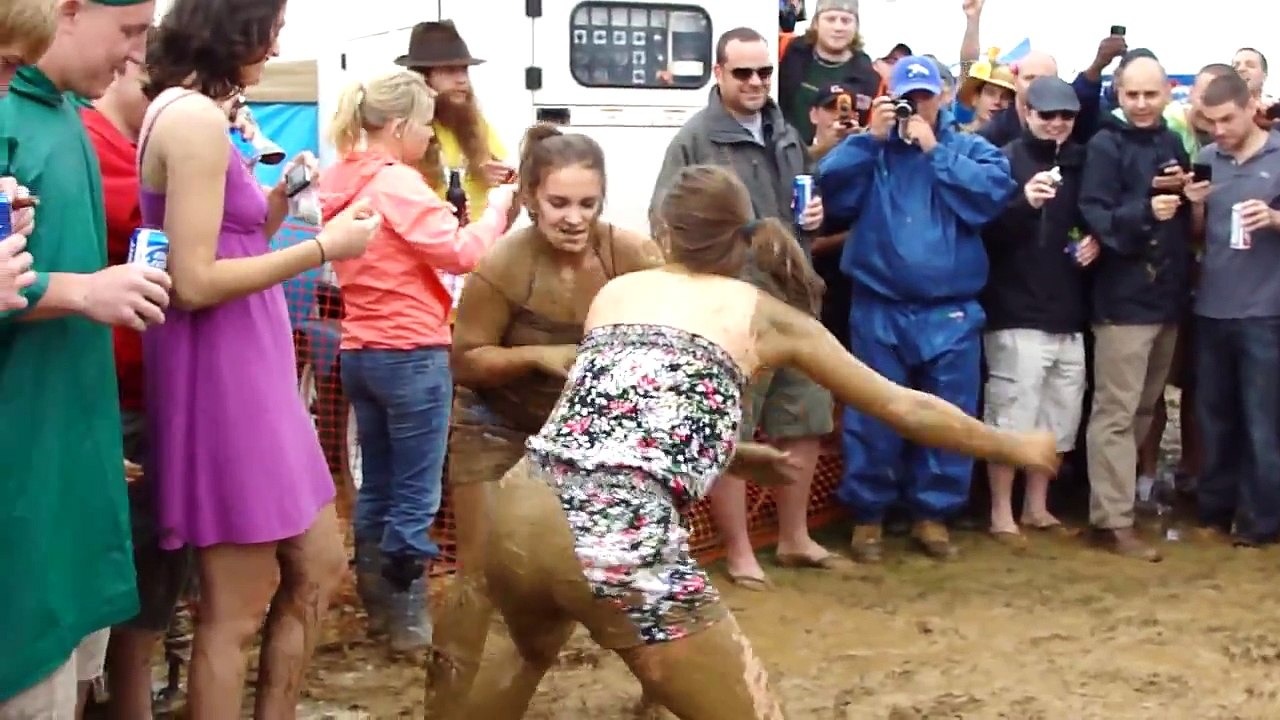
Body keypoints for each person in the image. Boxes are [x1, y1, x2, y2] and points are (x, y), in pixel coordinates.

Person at [441, 163, 1059, 720]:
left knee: (523, 653)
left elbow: (615, 419)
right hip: (616, 534)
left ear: (664, 231)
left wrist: (731, 453)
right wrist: (1012, 447)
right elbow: (905, 406)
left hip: (521, 506)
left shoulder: (618, 293)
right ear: (744, 238)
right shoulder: (766, 316)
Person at [138, 0, 382, 714]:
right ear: (232, 30)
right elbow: (193, 282)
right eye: (270, 32)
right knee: (234, 610)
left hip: (254, 375)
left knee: (320, 566)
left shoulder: (198, 116)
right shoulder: (191, 120)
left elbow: (229, 240)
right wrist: (323, 248)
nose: (275, 49)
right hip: (225, 382)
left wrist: (276, 199)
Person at [425, 123, 664, 717]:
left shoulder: (631, 256)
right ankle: (448, 705)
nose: (574, 218)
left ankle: (663, 691)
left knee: (636, 563)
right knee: (482, 574)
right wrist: (536, 355)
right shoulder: (504, 265)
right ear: (531, 197)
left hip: (589, 432)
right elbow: (464, 360)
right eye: (559, 203)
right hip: (496, 422)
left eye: (587, 203)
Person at [0, 0, 169, 717]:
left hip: (70, 463)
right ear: (67, 12)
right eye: (128, 31)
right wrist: (79, 290)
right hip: (24, 479)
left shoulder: (69, 115)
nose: (135, 55)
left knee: (70, 677)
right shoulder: (14, 115)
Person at [319, 69, 515, 651]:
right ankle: (407, 620)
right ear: (400, 125)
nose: (432, 137)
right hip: (412, 353)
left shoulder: (341, 176)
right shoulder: (397, 184)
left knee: (376, 483)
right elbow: (460, 253)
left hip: (360, 350)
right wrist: (499, 208)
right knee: (416, 491)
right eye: (427, 125)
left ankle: (379, 606)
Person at [652, 26, 837, 591]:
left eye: (764, 72)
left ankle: (795, 538)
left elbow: (805, 202)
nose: (756, 82)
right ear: (718, 73)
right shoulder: (693, 140)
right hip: (731, 309)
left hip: (795, 300)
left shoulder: (785, 132)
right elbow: (664, 222)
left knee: (806, 420)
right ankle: (738, 552)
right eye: (743, 73)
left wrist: (814, 217)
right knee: (732, 432)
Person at [818, 55, 1017, 562]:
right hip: (879, 306)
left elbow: (993, 195)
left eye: (924, 97)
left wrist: (934, 151)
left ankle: (933, 515)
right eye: (907, 98)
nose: (916, 107)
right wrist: (869, 139)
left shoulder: (968, 147)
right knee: (873, 414)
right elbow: (829, 191)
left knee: (947, 414)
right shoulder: (873, 148)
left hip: (950, 311)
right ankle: (868, 515)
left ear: (943, 96)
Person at [81, 37, 194, 720]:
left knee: (153, 581)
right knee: (112, 592)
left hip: (155, 392)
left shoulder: (139, 141)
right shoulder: (87, 144)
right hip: (111, 395)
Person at [1078, 55, 1191, 562]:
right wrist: (1147, 210)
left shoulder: (1171, 141)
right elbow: (1094, 215)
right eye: (1132, 95)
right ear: (1118, 95)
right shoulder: (1105, 144)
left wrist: (1191, 197)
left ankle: (1119, 503)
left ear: (1166, 92)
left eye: (1150, 94)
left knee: (1145, 408)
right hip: (1122, 300)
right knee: (1116, 412)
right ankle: (1111, 519)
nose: (1142, 104)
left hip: (1166, 296)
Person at [979, 77, 1097, 548]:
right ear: (1027, 113)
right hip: (1014, 313)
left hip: (1068, 313)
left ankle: (1037, 506)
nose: (1056, 123)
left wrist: (1093, 241)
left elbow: (1087, 221)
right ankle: (1000, 512)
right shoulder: (1003, 160)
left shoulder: (1081, 163)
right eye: (1047, 114)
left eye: (1066, 116)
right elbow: (984, 234)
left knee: (1057, 420)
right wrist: (1023, 203)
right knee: (1010, 419)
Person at [1185, 72, 1280, 546]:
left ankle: (1263, 520)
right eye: (1210, 122)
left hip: (1266, 311)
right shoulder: (1207, 160)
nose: (1218, 130)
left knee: (1263, 422)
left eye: (1226, 120)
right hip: (1212, 307)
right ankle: (1214, 510)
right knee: (1214, 418)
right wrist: (1195, 208)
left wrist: (1276, 218)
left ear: (1250, 109)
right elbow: (1197, 237)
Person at [776, 0, 878, 145]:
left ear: (856, 26)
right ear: (816, 23)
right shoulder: (786, 50)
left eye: (846, 21)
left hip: (837, 155)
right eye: (830, 19)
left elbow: (872, 132)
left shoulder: (869, 77)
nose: (838, 27)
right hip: (781, 149)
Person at [956, 48, 1015, 132]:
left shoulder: (1017, 139)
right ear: (975, 98)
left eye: (1006, 97)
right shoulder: (955, 136)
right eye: (990, 93)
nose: (997, 101)